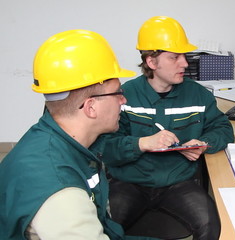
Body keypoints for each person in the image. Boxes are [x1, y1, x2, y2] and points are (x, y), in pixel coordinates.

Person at [0, 29, 154, 240]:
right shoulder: (61, 194)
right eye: (119, 92)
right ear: (90, 107)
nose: (123, 101)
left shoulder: (58, 137)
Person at [91, 16, 235, 239]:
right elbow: (105, 148)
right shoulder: (124, 97)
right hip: (129, 183)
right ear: (151, 62)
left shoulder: (198, 94)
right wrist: (141, 143)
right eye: (175, 57)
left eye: (184, 56)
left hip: (179, 184)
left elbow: (223, 128)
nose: (185, 63)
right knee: (103, 230)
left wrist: (204, 143)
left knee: (212, 225)